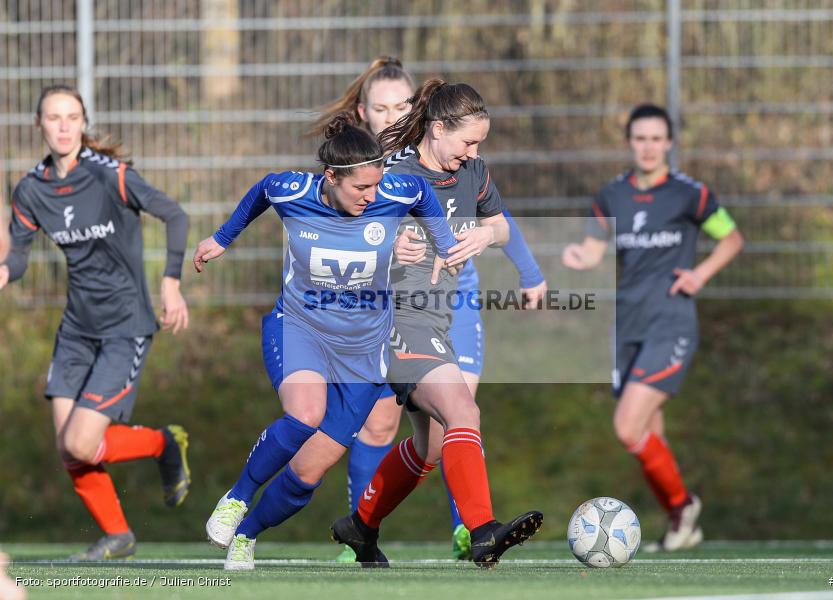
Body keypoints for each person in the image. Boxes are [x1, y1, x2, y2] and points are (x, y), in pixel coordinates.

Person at [197, 113, 460, 571]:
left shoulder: (391, 194)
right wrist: (223, 238)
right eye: (361, 188)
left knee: (307, 474)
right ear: (331, 177)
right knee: (304, 414)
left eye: (376, 186)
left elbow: (420, 193)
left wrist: (444, 243)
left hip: (364, 350)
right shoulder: (293, 192)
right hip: (302, 328)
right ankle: (236, 497)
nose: (371, 196)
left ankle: (247, 533)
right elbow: (262, 189)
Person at [315, 57, 547, 563]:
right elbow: (341, 233)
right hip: (395, 320)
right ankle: (482, 530)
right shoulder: (394, 175)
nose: (473, 153)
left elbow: (502, 225)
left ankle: (359, 526)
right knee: (463, 409)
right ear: (438, 129)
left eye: (479, 144)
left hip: (438, 317)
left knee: (431, 447)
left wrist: (489, 232)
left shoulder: (473, 173)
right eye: (467, 143)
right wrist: (389, 243)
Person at [0, 84, 191, 560]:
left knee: (84, 442)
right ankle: (117, 534)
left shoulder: (111, 176)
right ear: (39, 125)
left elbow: (174, 215)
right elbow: (19, 256)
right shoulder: (31, 189)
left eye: (72, 117)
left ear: (83, 123)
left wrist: (170, 283)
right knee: (69, 449)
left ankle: (163, 443)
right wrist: (4, 271)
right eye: (53, 117)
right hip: (76, 330)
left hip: (125, 325)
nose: (63, 126)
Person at [562, 104, 744, 551]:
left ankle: (684, 505)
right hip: (627, 327)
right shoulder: (611, 196)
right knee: (650, 435)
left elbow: (732, 238)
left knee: (628, 427)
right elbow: (593, 249)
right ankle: (683, 524)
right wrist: (576, 259)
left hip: (671, 324)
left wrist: (700, 275)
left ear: (669, 143)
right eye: (640, 138)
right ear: (630, 142)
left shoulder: (690, 194)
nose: (648, 146)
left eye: (656, 138)